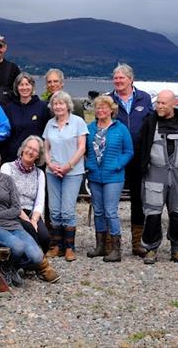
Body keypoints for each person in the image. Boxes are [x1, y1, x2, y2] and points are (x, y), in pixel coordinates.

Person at [0, 145, 59, 287]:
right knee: (18, 247)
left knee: (37, 257)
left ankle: (9, 267)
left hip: (12, 224)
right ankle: (6, 267)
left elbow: (16, 209)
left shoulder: (7, 180)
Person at [138, 90, 178, 264]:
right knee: (152, 213)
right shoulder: (149, 122)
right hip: (155, 172)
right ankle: (150, 249)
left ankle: (177, 249)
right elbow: (141, 147)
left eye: (163, 103)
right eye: (158, 103)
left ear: (173, 104)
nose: (159, 106)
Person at [109, 63, 153, 257]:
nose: (118, 81)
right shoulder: (108, 99)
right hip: (115, 157)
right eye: (116, 78)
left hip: (138, 157)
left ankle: (138, 242)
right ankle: (112, 242)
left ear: (131, 79)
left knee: (138, 200)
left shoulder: (144, 98)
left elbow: (151, 125)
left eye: (122, 78)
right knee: (111, 201)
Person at [84, 96, 133, 263]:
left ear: (112, 110)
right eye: (98, 108)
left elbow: (129, 151)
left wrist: (118, 164)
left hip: (114, 176)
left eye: (104, 108)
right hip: (95, 175)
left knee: (110, 211)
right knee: (98, 211)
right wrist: (87, 163)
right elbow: (82, 149)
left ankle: (115, 249)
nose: (100, 111)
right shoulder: (89, 128)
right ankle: (101, 246)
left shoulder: (120, 129)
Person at [43, 90, 88, 261]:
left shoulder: (78, 122)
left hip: (73, 172)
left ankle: (70, 247)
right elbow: (45, 148)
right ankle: (56, 246)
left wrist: (68, 166)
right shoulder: (49, 124)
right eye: (55, 104)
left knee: (67, 211)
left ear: (68, 105)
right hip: (53, 172)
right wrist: (50, 164)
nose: (58, 106)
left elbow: (81, 148)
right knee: (54, 210)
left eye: (61, 103)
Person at [0, 136, 51, 255]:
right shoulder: (7, 167)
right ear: (23, 149)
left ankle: (33, 262)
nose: (30, 151)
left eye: (35, 150)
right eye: (29, 147)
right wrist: (27, 221)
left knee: (45, 238)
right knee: (31, 232)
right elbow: (9, 198)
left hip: (31, 212)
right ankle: (37, 264)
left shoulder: (40, 174)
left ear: (38, 155)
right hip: (12, 212)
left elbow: (40, 201)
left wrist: (34, 219)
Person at [2, 72, 50, 162]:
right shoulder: (9, 108)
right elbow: (6, 134)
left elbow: (47, 134)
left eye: (27, 84)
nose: (24, 88)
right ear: (16, 87)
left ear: (32, 86)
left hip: (35, 158)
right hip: (13, 157)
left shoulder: (42, 107)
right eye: (21, 85)